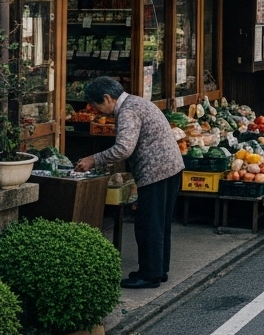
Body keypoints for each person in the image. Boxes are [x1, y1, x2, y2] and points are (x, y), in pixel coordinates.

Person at [74, 76, 185, 289]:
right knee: (160, 223)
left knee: (147, 224)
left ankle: (149, 274)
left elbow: (124, 148)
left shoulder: (127, 111)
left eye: (97, 106)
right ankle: (159, 269)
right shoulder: (137, 101)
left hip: (156, 170)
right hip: (171, 167)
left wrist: (93, 159)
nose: (97, 111)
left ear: (107, 98)